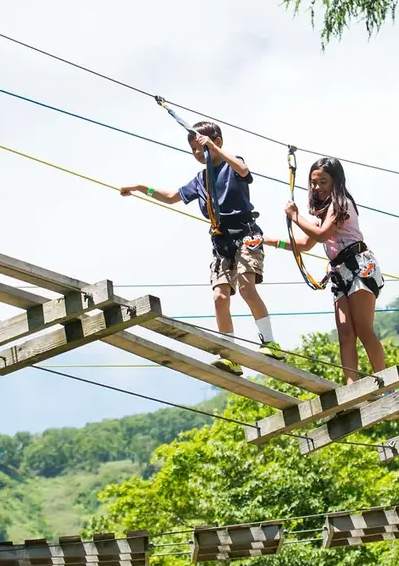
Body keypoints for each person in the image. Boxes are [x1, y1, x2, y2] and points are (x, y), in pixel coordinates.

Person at [119, 121, 284, 376]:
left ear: (217, 142)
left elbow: (243, 170)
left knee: (246, 286)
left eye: (201, 148)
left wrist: (215, 150)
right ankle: (229, 354)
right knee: (220, 296)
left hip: (246, 235)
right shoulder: (200, 179)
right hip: (221, 242)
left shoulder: (232, 164)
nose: (198, 154)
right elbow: (173, 197)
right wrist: (141, 188)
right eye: (194, 150)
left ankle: (270, 342)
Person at [264, 157, 386, 384]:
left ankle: (384, 380)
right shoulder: (324, 213)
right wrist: (272, 241)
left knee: (362, 327)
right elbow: (305, 244)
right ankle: (352, 385)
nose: (316, 187)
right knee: (345, 332)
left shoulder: (342, 205)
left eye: (323, 182)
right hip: (341, 273)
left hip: (359, 266)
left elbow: (322, 236)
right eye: (313, 182)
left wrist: (295, 216)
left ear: (335, 182)